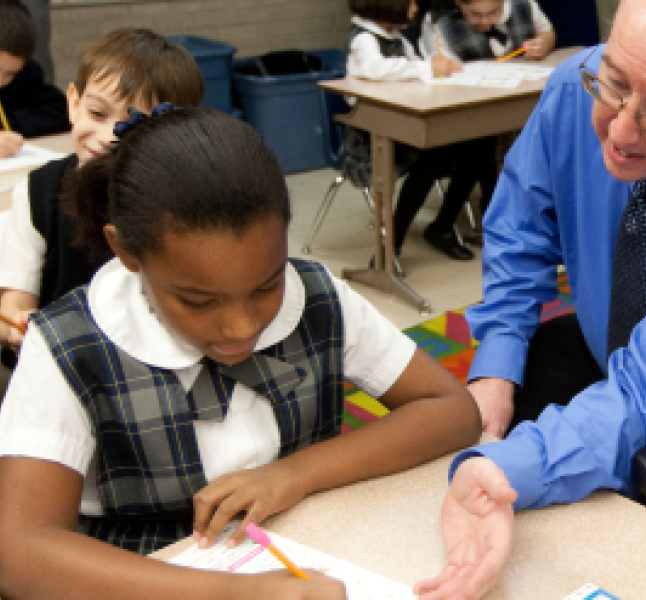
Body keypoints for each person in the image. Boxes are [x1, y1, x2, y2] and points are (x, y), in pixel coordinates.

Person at [0, 107, 481, 599]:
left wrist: (295, 473)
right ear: (125, 252)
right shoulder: (70, 345)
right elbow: (20, 554)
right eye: (197, 301)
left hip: (304, 553)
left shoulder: (315, 296)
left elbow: (452, 410)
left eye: (266, 285)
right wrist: (231, 595)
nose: (242, 325)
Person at [412, 0, 646, 598]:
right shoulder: (577, 82)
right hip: (602, 346)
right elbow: (520, 224)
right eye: (614, 84)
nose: (617, 132)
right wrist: (497, 361)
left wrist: (507, 471)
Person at [0, 28, 205, 367]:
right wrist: (18, 325)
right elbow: (15, 300)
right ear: (73, 103)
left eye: (135, 124)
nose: (110, 136)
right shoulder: (37, 192)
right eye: (97, 114)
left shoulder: (184, 199)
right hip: (61, 365)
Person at [343, 0, 496, 261]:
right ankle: (393, 246)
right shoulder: (364, 40)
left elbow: (418, 72)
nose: (415, 9)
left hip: (406, 126)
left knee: (478, 145)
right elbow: (376, 69)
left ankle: (443, 226)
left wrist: (438, 66)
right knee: (435, 156)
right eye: (411, 3)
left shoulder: (398, 39)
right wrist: (427, 68)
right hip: (374, 138)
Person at [0, 0, 69, 158]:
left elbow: (62, 112)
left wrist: (10, 124)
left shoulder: (26, 74)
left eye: (10, 73)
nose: (1, 80)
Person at [420, 0, 556, 62]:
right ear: (458, 3)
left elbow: (547, 32)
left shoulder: (524, 4)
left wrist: (543, 44)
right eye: (475, 14)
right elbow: (446, 68)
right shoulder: (440, 24)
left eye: (494, 12)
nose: (485, 21)